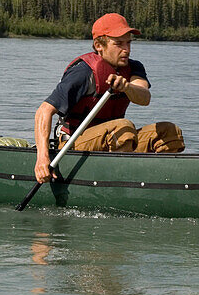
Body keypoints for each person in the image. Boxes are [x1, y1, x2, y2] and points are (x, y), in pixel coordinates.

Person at [33, 12, 184, 182]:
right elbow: (43, 111)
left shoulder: (134, 68)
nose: (126, 49)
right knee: (123, 128)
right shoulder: (83, 72)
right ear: (99, 45)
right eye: (119, 44)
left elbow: (144, 97)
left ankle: (160, 182)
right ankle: (119, 183)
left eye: (128, 43)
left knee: (171, 133)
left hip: (115, 140)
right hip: (73, 145)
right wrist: (42, 158)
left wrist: (126, 87)